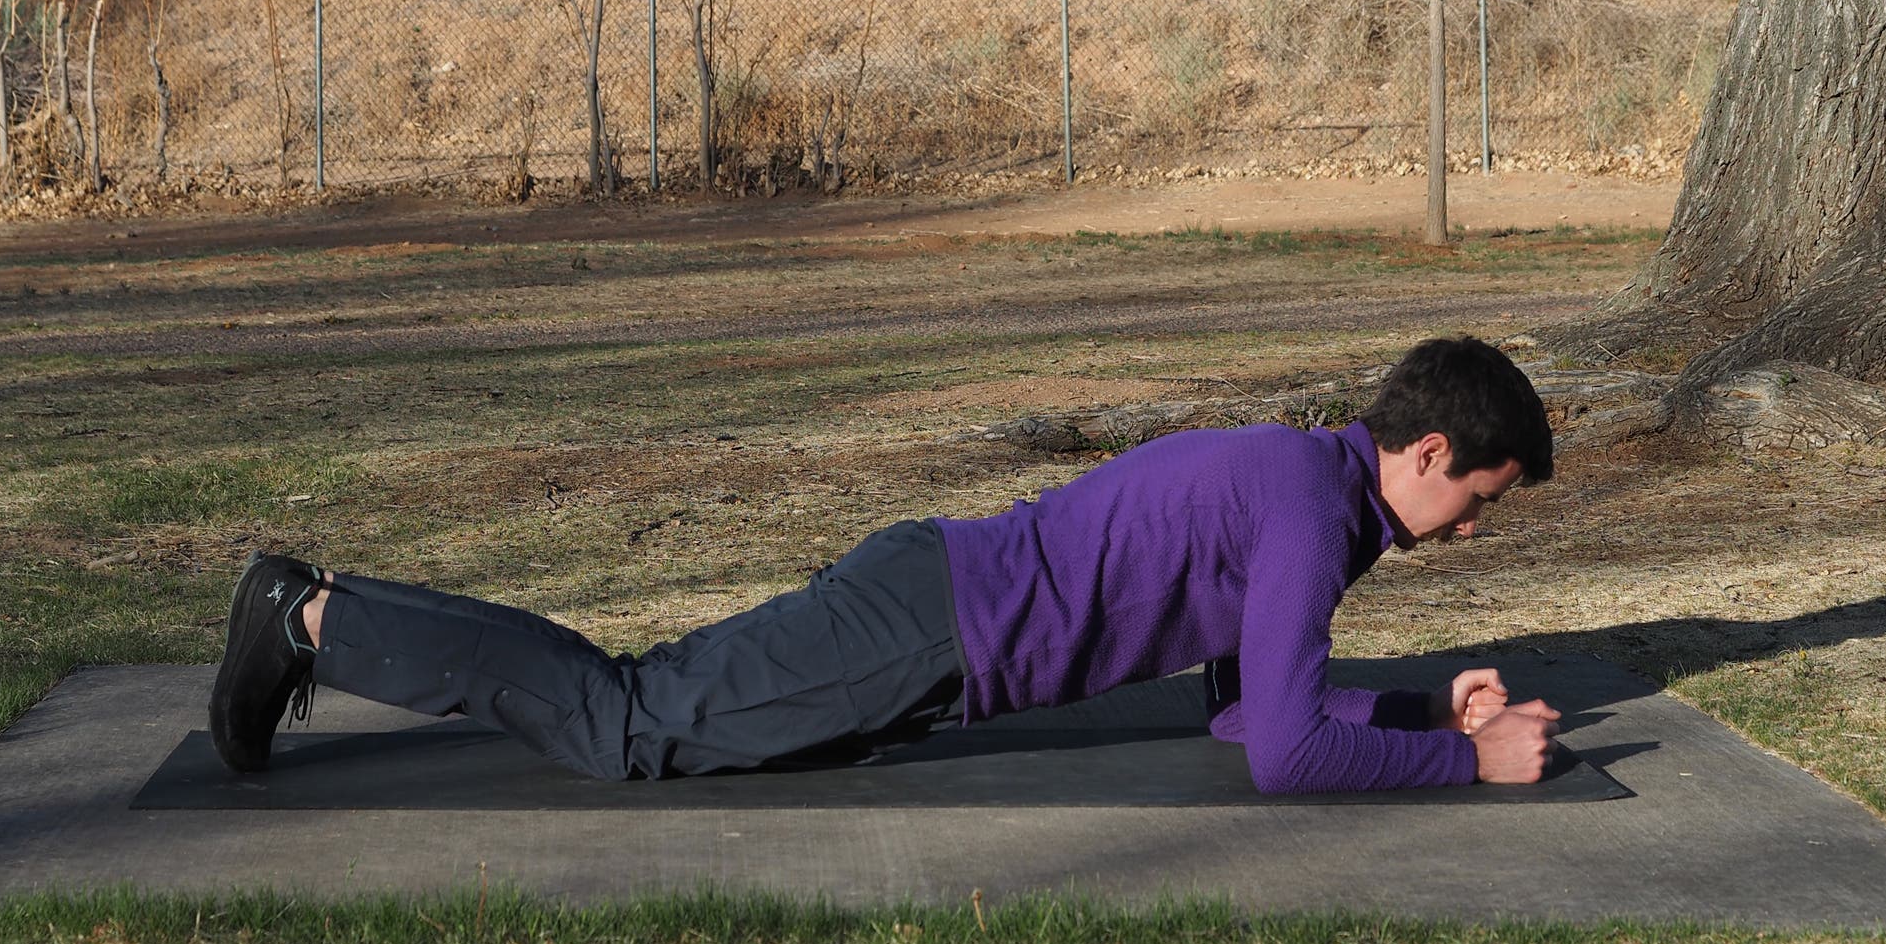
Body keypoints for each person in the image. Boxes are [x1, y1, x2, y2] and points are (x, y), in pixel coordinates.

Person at [210, 335, 1564, 793]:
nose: (1474, 528)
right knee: (629, 722)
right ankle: (311, 614)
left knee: (673, 730)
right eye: (1482, 500)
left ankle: (319, 610)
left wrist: (1413, 709)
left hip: (930, 621)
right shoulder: (1310, 515)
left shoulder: (1303, 483)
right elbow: (1281, 757)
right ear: (1434, 448)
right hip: (925, 626)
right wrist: (1469, 760)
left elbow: (1241, 703)